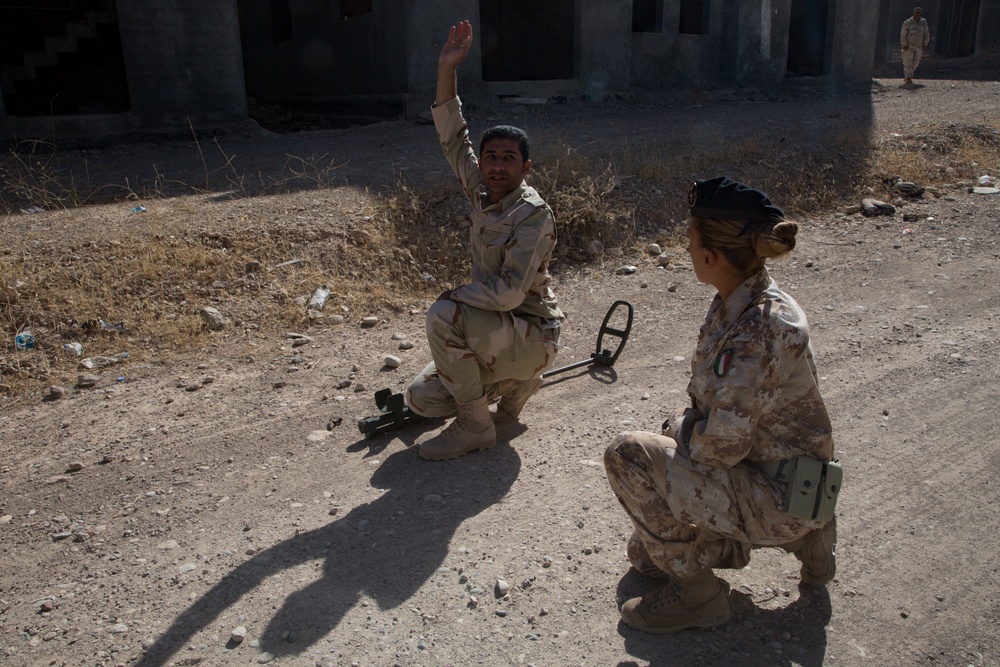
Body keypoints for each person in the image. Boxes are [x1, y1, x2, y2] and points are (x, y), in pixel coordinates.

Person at [603, 176, 840, 634]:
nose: (688, 252)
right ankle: (807, 539)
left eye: (690, 243)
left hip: (777, 495)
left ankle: (701, 598)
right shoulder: (738, 302)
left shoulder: (759, 328)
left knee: (627, 454)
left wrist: (679, 429)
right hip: (772, 474)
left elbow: (721, 448)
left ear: (710, 256)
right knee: (645, 557)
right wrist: (685, 429)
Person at [405, 20, 564, 462]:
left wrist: (454, 296)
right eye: (490, 157)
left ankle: (477, 426)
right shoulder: (481, 192)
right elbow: (453, 136)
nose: (495, 165)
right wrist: (447, 68)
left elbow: (511, 293)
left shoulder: (532, 214)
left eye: (507, 159)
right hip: (498, 331)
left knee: (442, 315)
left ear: (525, 168)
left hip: (531, 332)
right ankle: (515, 384)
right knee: (421, 398)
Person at [901, 7, 931, 85]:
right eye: (916, 13)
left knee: (916, 61)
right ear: (913, 13)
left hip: (919, 46)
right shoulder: (908, 22)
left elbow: (926, 33)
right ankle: (908, 77)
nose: (917, 14)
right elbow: (903, 34)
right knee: (908, 61)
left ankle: (909, 74)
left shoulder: (923, 22)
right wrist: (904, 44)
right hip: (909, 45)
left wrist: (925, 43)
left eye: (919, 13)